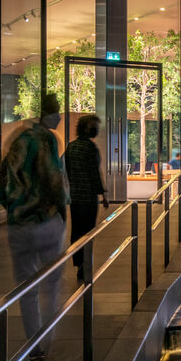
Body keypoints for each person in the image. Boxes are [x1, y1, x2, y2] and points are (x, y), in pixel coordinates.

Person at [0, 92, 69, 361]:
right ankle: (48, 347)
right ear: (47, 114)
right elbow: (53, 179)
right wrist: (61, 211)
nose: (59, 117)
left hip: (19, 226)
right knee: (52, 287)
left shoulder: (18, 140)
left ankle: (34, 352)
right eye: (57, 111)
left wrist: (12, 207)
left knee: (26, 289)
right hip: (46, 222)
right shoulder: (47, 140)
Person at [64, 113, 108, 281]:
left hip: (75, 197)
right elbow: (94, 173)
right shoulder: (90, 148)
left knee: (76, 231)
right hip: (88, 198)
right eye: (94, 126)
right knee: (88, 232)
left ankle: (79, 263)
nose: (96, 129)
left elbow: (68, 171)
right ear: (86, 128)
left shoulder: (71, 147)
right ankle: (85, 264)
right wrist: (103, 193)